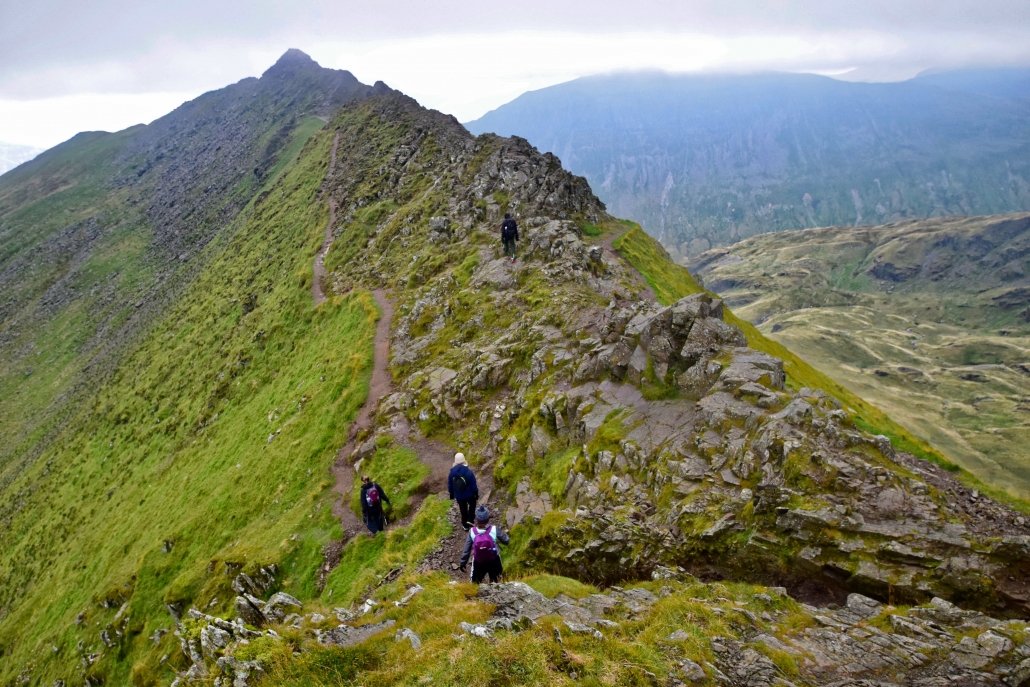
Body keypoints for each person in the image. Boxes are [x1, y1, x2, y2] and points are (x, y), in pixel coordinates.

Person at [459, 505, 509, 583]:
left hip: (478, 562)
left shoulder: (472, 531)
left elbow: (466, 549)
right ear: (488, 519)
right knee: (498, 581)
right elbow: (506, 541)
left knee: (475, 583)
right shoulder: (494, 529)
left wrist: (463, 563)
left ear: (476, 519)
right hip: (494, 560)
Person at [448, 452, 479, 530]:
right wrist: (476, 493)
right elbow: (473, 484)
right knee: (472, 505)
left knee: (463, 509)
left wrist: (452, 494)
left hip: (459, 495)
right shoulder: (468, 472)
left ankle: (465, 525)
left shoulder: (452, 473)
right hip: (469, 494)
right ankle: (470, 520)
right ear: (464, 461)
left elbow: (450, 484)